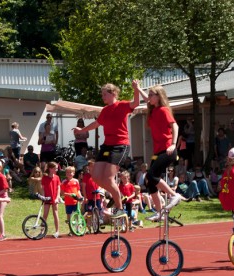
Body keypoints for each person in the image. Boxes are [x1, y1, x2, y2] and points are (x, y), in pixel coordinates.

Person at [73, 80, 141, 218]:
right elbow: (96, 123)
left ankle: (120, 209)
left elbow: (136, 103)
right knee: (96, 176)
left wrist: (136, 89)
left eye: (105, 94)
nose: (102, 96)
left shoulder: (122, 105)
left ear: (113, 93)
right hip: (107, 146)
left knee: (108, 178)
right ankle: (116, 195)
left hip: (120, 145)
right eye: (102, 94)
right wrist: (81, 130)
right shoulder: (105, 110)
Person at [135, 84, 184, 219]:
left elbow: (175, 126)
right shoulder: (153, 110)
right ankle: (160, 212)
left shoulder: (163, 110)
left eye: (152, 95)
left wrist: (173, 144)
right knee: (150, 182)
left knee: (151, 176)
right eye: (149, 95)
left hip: (167, 150)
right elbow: (147, 99)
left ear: (159, 96)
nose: (149, 97)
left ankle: (174, 195)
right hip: (158, 151)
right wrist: (138, 88)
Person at [41, 161, 62, 238]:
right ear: (50, 169)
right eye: (55, 168)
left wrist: (57, 197)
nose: (56, 170)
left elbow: (58, 187)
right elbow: (43, 188)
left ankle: (57, 231)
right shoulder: (45, 177)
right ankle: (42, 231)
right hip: (47, 198)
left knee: (55, 214)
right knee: (45, 215)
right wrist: (43, 197)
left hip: (54, 198)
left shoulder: (57, 177)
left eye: (57, 168)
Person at [60, 165, 82, 235]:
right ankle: (71, 230)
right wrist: (69, 194)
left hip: (76, 201)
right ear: (66, 173)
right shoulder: (64, 182)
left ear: (74, 173)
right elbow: (62, 193)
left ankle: (77, 229)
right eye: (68, 172)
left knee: (76, 216)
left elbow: (78, 190)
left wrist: (80, 196)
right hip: (68, 202)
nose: (69, 174)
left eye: (71, 172)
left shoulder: (76, 181)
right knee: (69, 216)